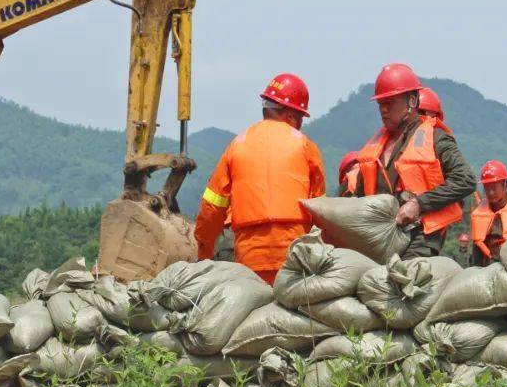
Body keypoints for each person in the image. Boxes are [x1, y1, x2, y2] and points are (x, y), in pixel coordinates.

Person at [194, 73, 326, 284]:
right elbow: (321, 211)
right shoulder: (305, 146)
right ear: (291, 115)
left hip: (250, 255)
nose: (300, 123)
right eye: (300, 117)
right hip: (294, 254)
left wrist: (204, 250)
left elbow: (212, 207)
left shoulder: (237, 145)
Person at [353, 63, 476, 257]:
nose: (383, 110)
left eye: (389, 103)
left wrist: (419, 204)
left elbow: (466, 180)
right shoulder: (375, 148)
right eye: (380, 104)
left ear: (411, 101)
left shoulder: (435, 138)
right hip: (380, 237)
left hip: (419, 237)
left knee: (406, 282)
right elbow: (357, 199)